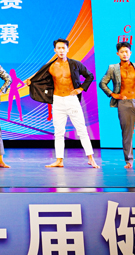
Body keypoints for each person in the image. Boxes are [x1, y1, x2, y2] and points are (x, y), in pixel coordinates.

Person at [27, 38, 99, 168]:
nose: (61, 50)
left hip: (71, 99)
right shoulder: (50, 66)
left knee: (82, 130)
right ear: (55, 50)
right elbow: (39, 80)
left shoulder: (75, 64)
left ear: (67, 49)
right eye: (58, 48)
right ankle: (59, 160)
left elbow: (90, 76)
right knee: (58, 132)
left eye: (63, 48)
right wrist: (30, 83)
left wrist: (80, 89)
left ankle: (91, 158)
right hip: (57, 100)